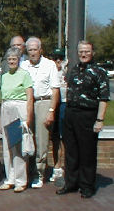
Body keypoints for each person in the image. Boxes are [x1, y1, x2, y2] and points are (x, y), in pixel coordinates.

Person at [56, 40, 110, 199]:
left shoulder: (99, 72)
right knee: (71, 151)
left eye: (87, 51)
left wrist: (99, 120)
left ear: (92, 52)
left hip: (88, 115)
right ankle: (71, 183)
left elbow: (104, 98)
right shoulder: (73, 70)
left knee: (87, 152)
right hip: (71, 114)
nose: (84, 54)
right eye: (81, 51)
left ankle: (87, 186)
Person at [20, 37, 60, 188]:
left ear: (40, 50)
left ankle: (39, 174)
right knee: (27, 138)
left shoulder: (49, 65)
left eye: (35, 49)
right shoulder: (23, 65)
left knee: (42, 142)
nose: (32, 53)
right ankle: (28, 172)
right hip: (27, 103)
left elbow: (55, 89)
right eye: (30, 50)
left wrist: (51, 111)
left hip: (44, 102)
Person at [0, 47, 34, 193]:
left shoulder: (25, 75)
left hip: (20, 109)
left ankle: (20, 180)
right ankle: (10, 179)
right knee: (7, 147)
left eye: (14, 59)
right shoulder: (4, 76)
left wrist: (28, 119)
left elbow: (30, 98)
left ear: (19, 60)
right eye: (9, 59)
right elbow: (2, 98)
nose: (11, 61)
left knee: (18, 147)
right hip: (6, 109)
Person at [49, 48, 68, 183]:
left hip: (65, 105)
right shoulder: (50, 70)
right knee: (54, 138)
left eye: (60, 57)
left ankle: (65, 167)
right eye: (55, 58)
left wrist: (65, 69)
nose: (58, 60)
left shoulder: (68, 71)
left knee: (65, 138)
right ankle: (56, 167)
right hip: (53, 106)